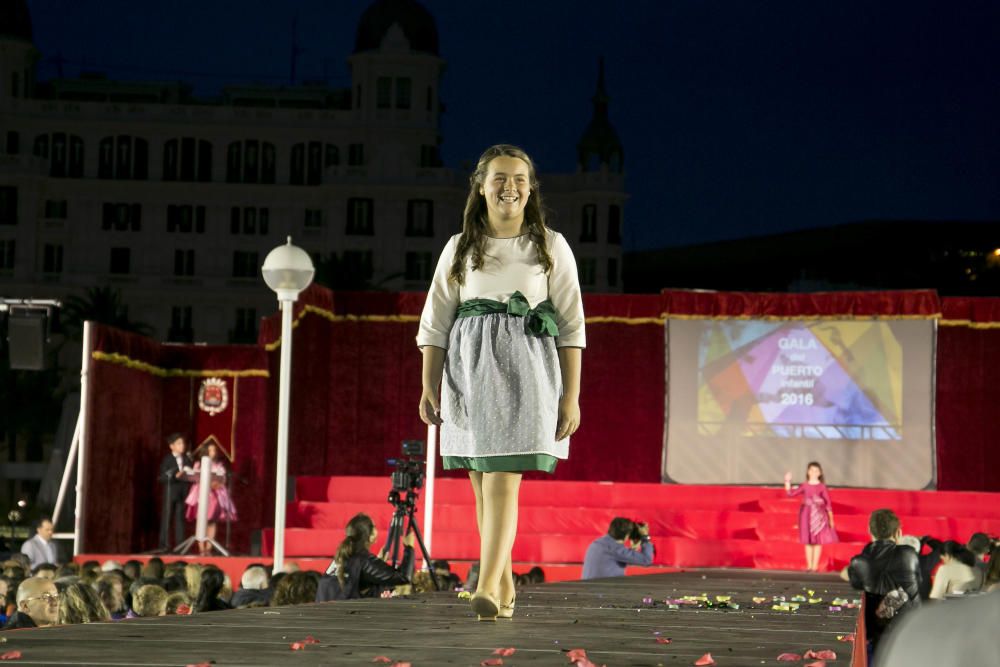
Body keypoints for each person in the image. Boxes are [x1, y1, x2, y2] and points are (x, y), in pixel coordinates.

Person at [417, 144, 585, 622]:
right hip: (467, 373)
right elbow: (435, 324)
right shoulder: (459, 247)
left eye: (519, 178)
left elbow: (572, 325)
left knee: (502, 479)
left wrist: (570, 396)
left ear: (531, 188)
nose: (510, 187)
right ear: (481, 185)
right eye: (500, 178)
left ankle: (486, 581)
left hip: (526, 372)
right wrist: (429, 385)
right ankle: (506, 584)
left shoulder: (551, 245)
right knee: (479, 483)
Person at [847, 509, 922, 660]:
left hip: (875, 633)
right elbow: (918, 584)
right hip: (908, 628)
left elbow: (857, 588)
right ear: (898, 532)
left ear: (869, 530)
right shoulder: (909, 554)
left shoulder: (858, 562)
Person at [316, 513, 413, 601]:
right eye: (374, 527)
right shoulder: (363, 560)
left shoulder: (341, 557)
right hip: (341, 617)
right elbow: (403, 577)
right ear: (371, 535)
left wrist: (378, 563)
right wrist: (409, 548)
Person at [184, 442, 238, 555]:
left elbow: (222, 479)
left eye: (214, 450)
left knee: (212, 521)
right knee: (201, 520)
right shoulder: (198, 464)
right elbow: (195, 477)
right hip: (201, 494)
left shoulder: (218, 465)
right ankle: (201, 547)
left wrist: (217, 484)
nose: (212, 452)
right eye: (210, 450)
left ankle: (209, 547)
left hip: (214, 495)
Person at [784, 462, 838, 572]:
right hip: (806, 515)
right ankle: (809, 566)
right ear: (808, 472)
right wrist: (787, 481)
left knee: (818, 542)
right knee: (807, 541)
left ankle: (815, 566)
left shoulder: (822, 486)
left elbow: (828, 503)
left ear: (820, 473)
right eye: (812, 470)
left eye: (816, 470)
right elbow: (790, 493)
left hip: (819, 515)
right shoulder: (805, 485)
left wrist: (831, 518)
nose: (814, 472)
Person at [581, 518, 655, 580]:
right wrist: (645, 538)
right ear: (627, 535)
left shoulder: (597, 543)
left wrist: (633, 549)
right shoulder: (616, 549)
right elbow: (646, 560)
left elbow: (619, 558)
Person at [158, 433, 192, 550]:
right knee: (167, 519)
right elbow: (162, 477)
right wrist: (174, 475)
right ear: (171, 446)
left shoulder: (187, 459)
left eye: (183, 443)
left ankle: (180, 545)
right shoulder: (167, 460)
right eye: (179, 443)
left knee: (180, 519)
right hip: (170, 492)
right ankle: (164, 545)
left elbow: (191, 474)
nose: (182, 446)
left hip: (183, 493)